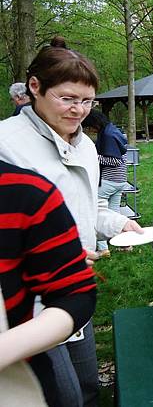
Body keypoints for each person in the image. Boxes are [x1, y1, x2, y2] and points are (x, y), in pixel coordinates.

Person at [0, 36, 142, 407]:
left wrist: (117, 224)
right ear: (35, 87)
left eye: (86, 101)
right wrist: (67, 252)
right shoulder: (7, 144)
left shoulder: (87, 146)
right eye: (67, 98)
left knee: (88, 384)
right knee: (61, 395)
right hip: (29, 302)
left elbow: (87, 207)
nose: (79, 110)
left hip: (74, 289)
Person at [0, 160, 96, 407]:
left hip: (21, 376)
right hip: (39, 317)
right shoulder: (9, 140)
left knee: (81, 388)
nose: (78, 117)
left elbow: (77, 293)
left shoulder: (26, 192)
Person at [82, 109, 129, 257]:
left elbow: (115, 160)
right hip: (120, 179)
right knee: (114, 214)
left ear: (94, 123)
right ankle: (124, 244)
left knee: (96, 209)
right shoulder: (113, 130)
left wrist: (94, 157)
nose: (90, 130)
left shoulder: (107, 135)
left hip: (109, 180)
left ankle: (103, 249)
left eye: (89, 127)